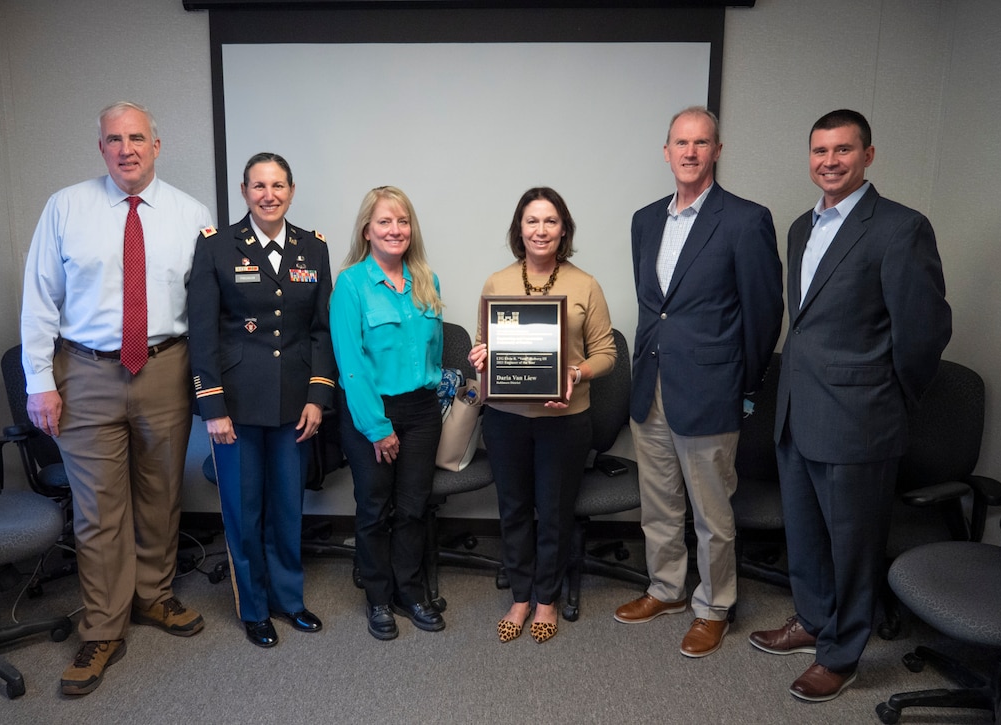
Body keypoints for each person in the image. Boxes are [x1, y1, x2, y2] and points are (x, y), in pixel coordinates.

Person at [749, 109, 951, 702]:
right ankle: (813, 623)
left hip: (859, 420)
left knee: (855, 546)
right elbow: (807, 325)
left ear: (868, 155)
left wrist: (886, 397)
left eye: (842, 150)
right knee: (806, 535)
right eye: (819, 151)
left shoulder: (899, 227)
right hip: (797, 412)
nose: (829, 162)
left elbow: (924, 330)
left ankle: (842, 655)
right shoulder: (799, 228)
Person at [20, 101, 212, 696]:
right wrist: (39, 381)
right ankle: (104, 626)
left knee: (161, 492)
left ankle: (154, 596)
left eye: (137, 138)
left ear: (158, 144)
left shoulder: (191, 214)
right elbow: (39, 299)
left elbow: (205, 308)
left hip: (165, 367)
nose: (126, 149)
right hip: (85, 371)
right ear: (99, 147)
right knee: (99, 507)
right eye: (113, 139)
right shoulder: (66, 207)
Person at [613, 107, 783, 658]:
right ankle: (665, 588)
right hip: (652, 385)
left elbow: (763, 314)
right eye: (680, 143)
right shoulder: (644, 219)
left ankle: (713, 605)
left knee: (712, 512)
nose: (689, 152)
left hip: (711, 390)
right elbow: (654, 309)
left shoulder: (744, 219)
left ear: (717, 150)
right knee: (658, 501)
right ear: (666, 152)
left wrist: (744, 384)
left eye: (701, 142)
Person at [187, 152, 336, 648]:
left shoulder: (313, 249)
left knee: (287, 507)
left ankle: (289, 600)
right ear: (244, 192)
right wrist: (212, 407)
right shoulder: (216, 247)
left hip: (294, 403)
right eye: (258, 186)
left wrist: (318, 397)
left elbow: (320, 332)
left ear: (291, 190)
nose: (268, 195)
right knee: (244, 509)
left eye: (278, 185)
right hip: (236, 406)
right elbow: (203, 334)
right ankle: (253, 608)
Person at [469, 187, 616, 644]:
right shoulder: (497, 283)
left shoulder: (585, 284)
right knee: (513, 509)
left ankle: (547, 598)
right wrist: (480, 356)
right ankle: (520, 593)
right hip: (505, 417)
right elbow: (484, 343)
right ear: (519, 229)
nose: (541, 230)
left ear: (564, 229)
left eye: (550, 221)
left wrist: (577, 370)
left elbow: (607, 352)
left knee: (553, 512)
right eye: (532, 221)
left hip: (565, 418)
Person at [330, 186, 446, 641]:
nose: (395, 230)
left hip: (421, 412)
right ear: (367, 230)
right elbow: (351, 366)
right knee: (376, 509)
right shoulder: (351, 285)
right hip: (370, 414)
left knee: (414, 509)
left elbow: (431, 356)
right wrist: (378, 428)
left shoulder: (427, 281)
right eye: (384, 222)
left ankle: (410, 592)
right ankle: (378, 597)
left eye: (402, 221)